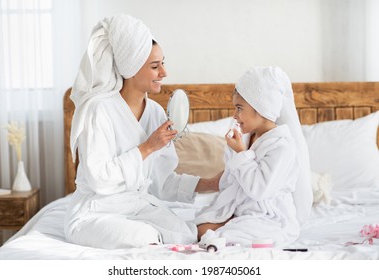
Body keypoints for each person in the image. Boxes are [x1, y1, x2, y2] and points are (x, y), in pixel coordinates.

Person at [64, 14, 219, 249]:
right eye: (155, 66)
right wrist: (148, 147)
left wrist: (212, 183)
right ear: (131, 69)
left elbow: (162, 183)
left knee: (183, 231)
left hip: (137, 206)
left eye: (163, 63)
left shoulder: (155, 112)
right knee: (142, 236)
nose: (164, 73)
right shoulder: (99, 109)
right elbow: (98, 178)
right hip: (96, 211)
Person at [195, 66, 312, 246]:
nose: (235, 115)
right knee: (199, 228)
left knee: (220, 236)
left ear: (261, 107)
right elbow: (231, 180)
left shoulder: (282, 146)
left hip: (269, 217)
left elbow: (260, 189)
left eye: (239, 108)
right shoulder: (247, 137)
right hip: (240, 210)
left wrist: (241, 154)